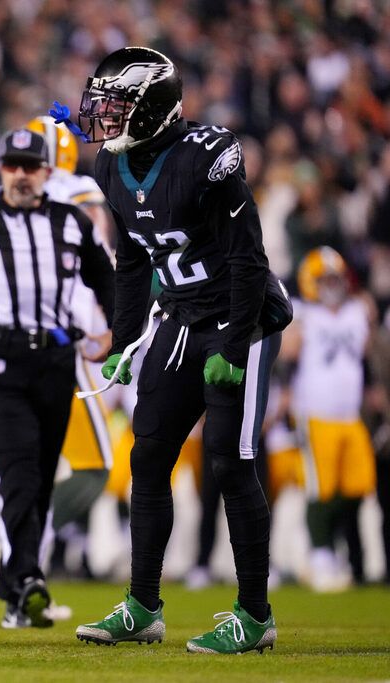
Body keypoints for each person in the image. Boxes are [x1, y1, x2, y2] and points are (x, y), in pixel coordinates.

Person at [71, 46, 292, 655]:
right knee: (147, 457)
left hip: (238, 317)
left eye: (117, 104)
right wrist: (122, 340)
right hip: (179, 317)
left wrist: (238, 338)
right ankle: (143, 605)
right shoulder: (111, 168)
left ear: (153, 106)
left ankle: (254, 615)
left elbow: (249, 254)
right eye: (103, 103)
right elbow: (134, 259)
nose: (105, 115)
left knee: (229, 461)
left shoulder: (206, 156)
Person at [0, 129, 114, 628]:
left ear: (47, 172)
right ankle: (25, 579)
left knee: (40, 479)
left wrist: (114, 334)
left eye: (30, 165)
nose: (20, 174)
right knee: (16, 473)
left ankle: (16, 586)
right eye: (12, 164)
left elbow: (107, 278)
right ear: (1, 168)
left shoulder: (69, 222)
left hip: (55, 361)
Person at [26, 115, 115, 581]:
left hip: (21, 340)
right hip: (73, 339)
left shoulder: (7, 199)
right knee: (94, 465)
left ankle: (28, 551)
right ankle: (24, 541)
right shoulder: (78, 192)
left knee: (37, 460)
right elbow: (101, 260)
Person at [282, 247, 376, 590]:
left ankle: (325, 549)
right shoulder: (303, 314)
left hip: (350, 416)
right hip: (315, 414)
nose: (332, 285)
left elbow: (364, 356)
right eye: (325, 279)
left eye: (336, 278)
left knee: (356, 486)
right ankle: (320, 556)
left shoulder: (356, 312)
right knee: (320, 490)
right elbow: (286, 353)